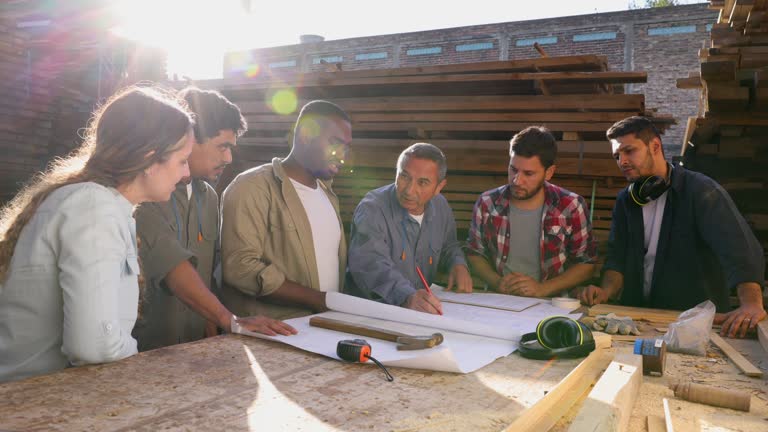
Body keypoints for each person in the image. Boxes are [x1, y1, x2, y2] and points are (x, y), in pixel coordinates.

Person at [0, 86, 194, 382]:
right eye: (182, 160)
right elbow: (94, 346)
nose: (186, 174)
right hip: (32, 403)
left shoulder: (102, 204)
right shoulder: (93, 208)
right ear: (150, 158)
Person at [133, 87, 295, 351]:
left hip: (196, 350)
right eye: (222, 147)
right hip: (145, 353)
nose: (229, 158)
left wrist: (212, 322)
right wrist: (229, 319)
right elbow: (175, 269)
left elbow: (207, 273)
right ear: (188, 138)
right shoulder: (146, 192)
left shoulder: (208, 197)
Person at [574, 116, 766, 338]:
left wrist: (751, 304)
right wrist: (605, 291)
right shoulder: (626, 200)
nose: (622, 161)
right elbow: (617, 257)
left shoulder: (700, 191)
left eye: (629, 151)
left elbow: (739, 247)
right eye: (617, 156)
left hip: (694, 324)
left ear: (655, 146)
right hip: (641, 320)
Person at [220, 100, 351, 319]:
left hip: (323, 329)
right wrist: (318, 299)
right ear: (306, 135)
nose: (342, 156)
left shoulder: (328, 194)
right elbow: (239, 268)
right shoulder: (251, 187)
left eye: (346, 148)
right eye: (335, 143)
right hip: (273, 335)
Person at [466, 126, 598, 297]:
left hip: (552, 303)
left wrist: (543, 289)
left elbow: (586, 264)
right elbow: (474, 253)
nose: (517, 180)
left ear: (549, 172)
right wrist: (497, 282)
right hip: (498, 300)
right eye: (513, 169)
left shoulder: (571, 206)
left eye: (528, 173)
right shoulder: (487, 203)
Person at [345, 143, 472, 315]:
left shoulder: (441, 206)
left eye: (423, 182)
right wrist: (406, 296)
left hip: (419, 312)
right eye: (404, 176)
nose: (410, 190)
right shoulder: (372, 209)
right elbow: (371, 264)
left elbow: (449, 245)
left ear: (439, 187)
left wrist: (457, 263)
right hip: (368, 314)